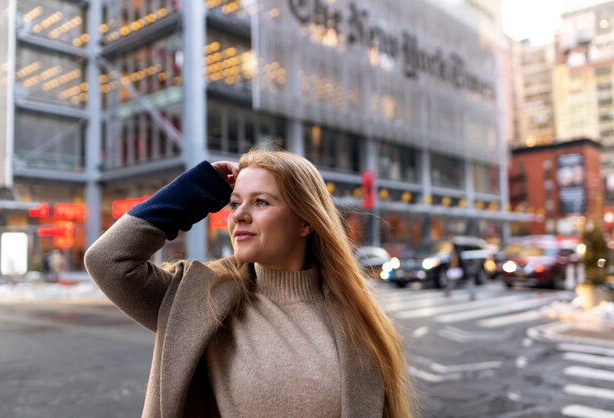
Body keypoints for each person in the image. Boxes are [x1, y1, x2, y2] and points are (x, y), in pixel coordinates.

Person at [85, 149, 418, 417]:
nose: (238, 215)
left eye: (260, 202)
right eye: (234, 202)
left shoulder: (361, 320)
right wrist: (198, 188)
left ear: (305, 222)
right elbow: (109, 260)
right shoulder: (200, 296)